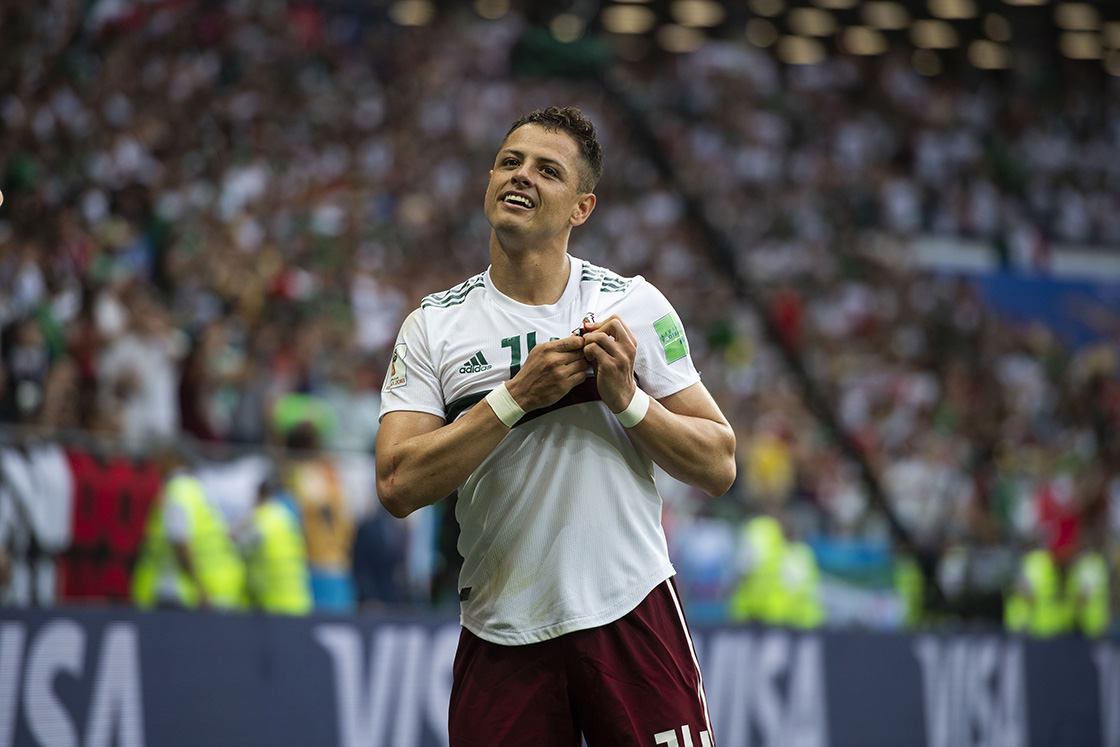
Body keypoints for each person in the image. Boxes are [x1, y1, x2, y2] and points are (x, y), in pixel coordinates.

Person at [375, 106, 736, 746]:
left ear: (581, 208)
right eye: (510, 162)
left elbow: (719, 463)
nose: (521, 176)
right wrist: (515, 398)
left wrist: (629, 400)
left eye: (548, 170)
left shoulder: (631, 305)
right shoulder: (433, 326)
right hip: (501, 631)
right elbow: (397, 483)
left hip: (632, 613)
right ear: (490, 180)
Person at [131, 446, 246, 611]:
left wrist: (199, 588)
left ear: (172, 458)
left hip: (184, 593)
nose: (156, 466)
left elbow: (180, 541)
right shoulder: (196, 489)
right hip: (218, 588)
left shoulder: (177, 490)